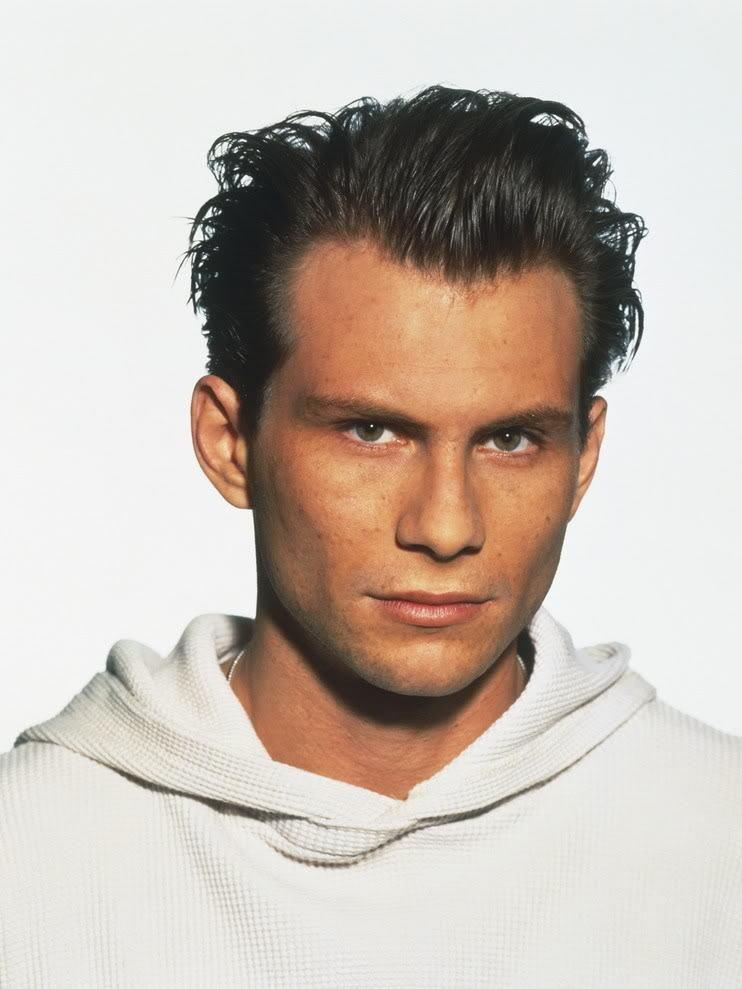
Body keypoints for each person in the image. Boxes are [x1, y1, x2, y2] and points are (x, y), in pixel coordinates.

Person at [1, 86, 740, 988]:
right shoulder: (29, 857)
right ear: (230, 443)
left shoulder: (718, 842)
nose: (446, 525)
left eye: (511, 439)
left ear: (582, 459)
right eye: (370, 430)